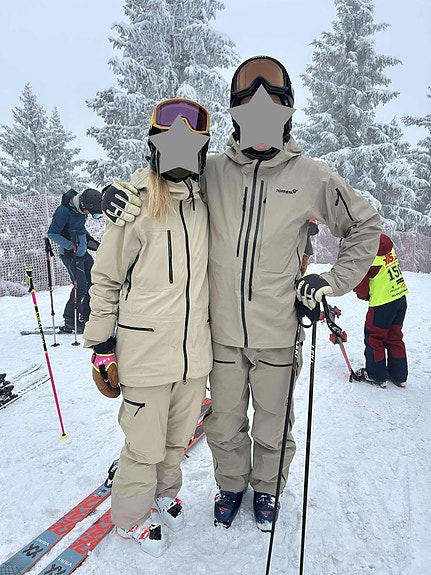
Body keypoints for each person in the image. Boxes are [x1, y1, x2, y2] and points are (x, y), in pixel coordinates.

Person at [101, 56, 382, 532]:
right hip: (221, 334)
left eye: (271, 108)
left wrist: (331, 280)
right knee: (224, 423)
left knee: (273, 422)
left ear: (287, 114)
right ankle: (231, 485)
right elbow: (161, 176)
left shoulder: (311, 176)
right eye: (249, 109)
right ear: (234, 115)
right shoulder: (212, 171)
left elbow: (365, 224)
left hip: (278, 331)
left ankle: (267, 488)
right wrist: (111, 192)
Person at [83, 98, 212, 557]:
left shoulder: (203, 204)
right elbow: (105, 278)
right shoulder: (134, 205)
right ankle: (131, 518)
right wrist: (102, 345)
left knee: (177, 441)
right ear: (154, 147)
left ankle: (164, 494)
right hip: (145, 354)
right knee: (143, 446)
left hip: (193, 355)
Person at [354, 233, 408, 388]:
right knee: (394, 337)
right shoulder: (384, 243)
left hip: (382, 303)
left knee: (374, 338)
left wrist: (363, 295)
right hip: (400, 297)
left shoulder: (364, 253)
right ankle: (399, 375)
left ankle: (375, 375)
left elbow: (362, 288)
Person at [47, 188, 102, 333]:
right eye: (89, 212)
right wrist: (71, 246)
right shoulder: (64, 211)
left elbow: (80, 228)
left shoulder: (80, 211)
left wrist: (90, 240)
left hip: (82, 253)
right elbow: (52, 233)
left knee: (93, 283)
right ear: (83, 205)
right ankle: (70, 320)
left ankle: (85, 315)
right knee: (81, 287)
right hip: (70, 255)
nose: (88, 214)